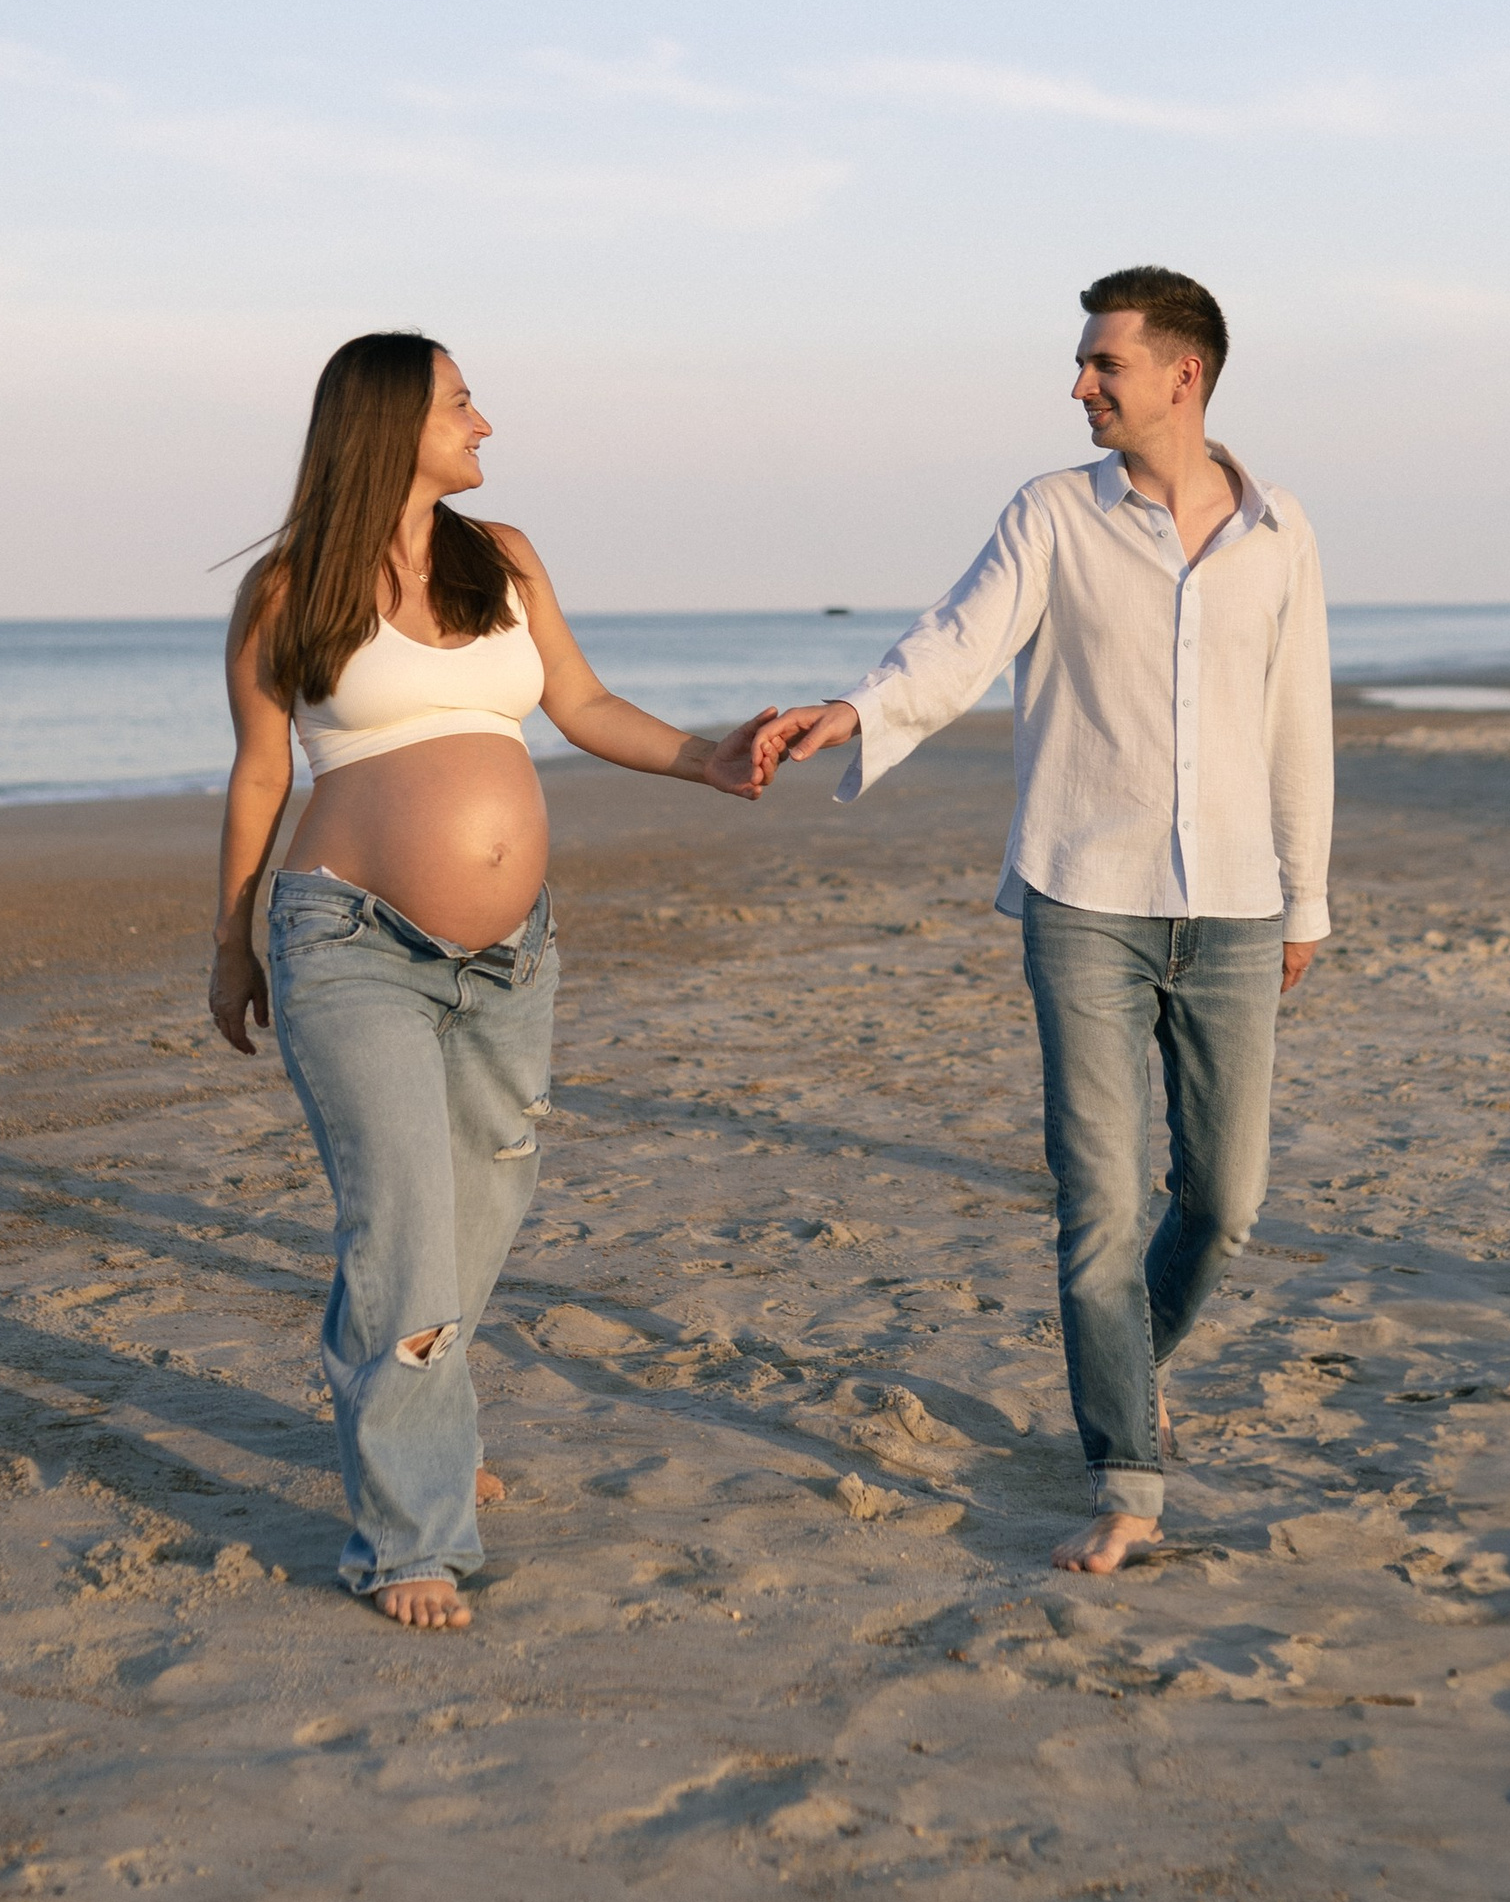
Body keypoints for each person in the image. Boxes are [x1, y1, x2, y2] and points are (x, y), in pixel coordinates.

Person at [757, 266, 1332, 1575]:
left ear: (1182, 377)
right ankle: (1126, 1474)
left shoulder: (1281, 530)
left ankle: (1128, 1365)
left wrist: (1308, 894)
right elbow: (956, 642)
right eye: (1082, 366)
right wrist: (855, 712)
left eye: (1102, 366)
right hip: (1083, 898)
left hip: (1238, 906)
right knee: (1100, 1203)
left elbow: (1300, 718)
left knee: (1228, 1197)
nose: (1078, 386)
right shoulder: (1052, 517)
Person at [210, 331, 774, 1631]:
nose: (486, 423)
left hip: (511, 960)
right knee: (404, 1227)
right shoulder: (290, 587)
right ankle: (408, 1538)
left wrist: (709, 758)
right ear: (391, 423)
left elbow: (574, 701)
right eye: (462, 403)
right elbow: (256, 775)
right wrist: (230, 946)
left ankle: (425, 1419)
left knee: (483, 1208)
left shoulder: (502, 557)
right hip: (349, 946)